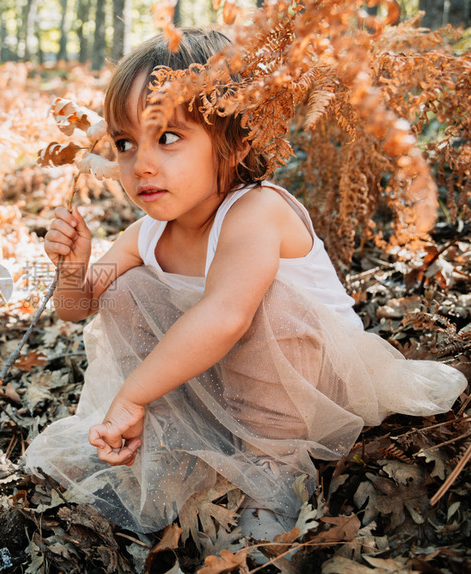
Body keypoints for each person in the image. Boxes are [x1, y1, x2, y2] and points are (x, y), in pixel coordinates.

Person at [24, 28, 466, 543]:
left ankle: (271, 470)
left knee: (262, 304)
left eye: (167, 137)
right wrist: (73, 269)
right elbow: (78, 308)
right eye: (125, 143)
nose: (141, 163)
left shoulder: (257, 211)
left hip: (317, 385)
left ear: (234, 142)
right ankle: (178, 441)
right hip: (227, 388)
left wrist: (131, 395)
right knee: (123, 291)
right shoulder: (145, 234)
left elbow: (226, 317)